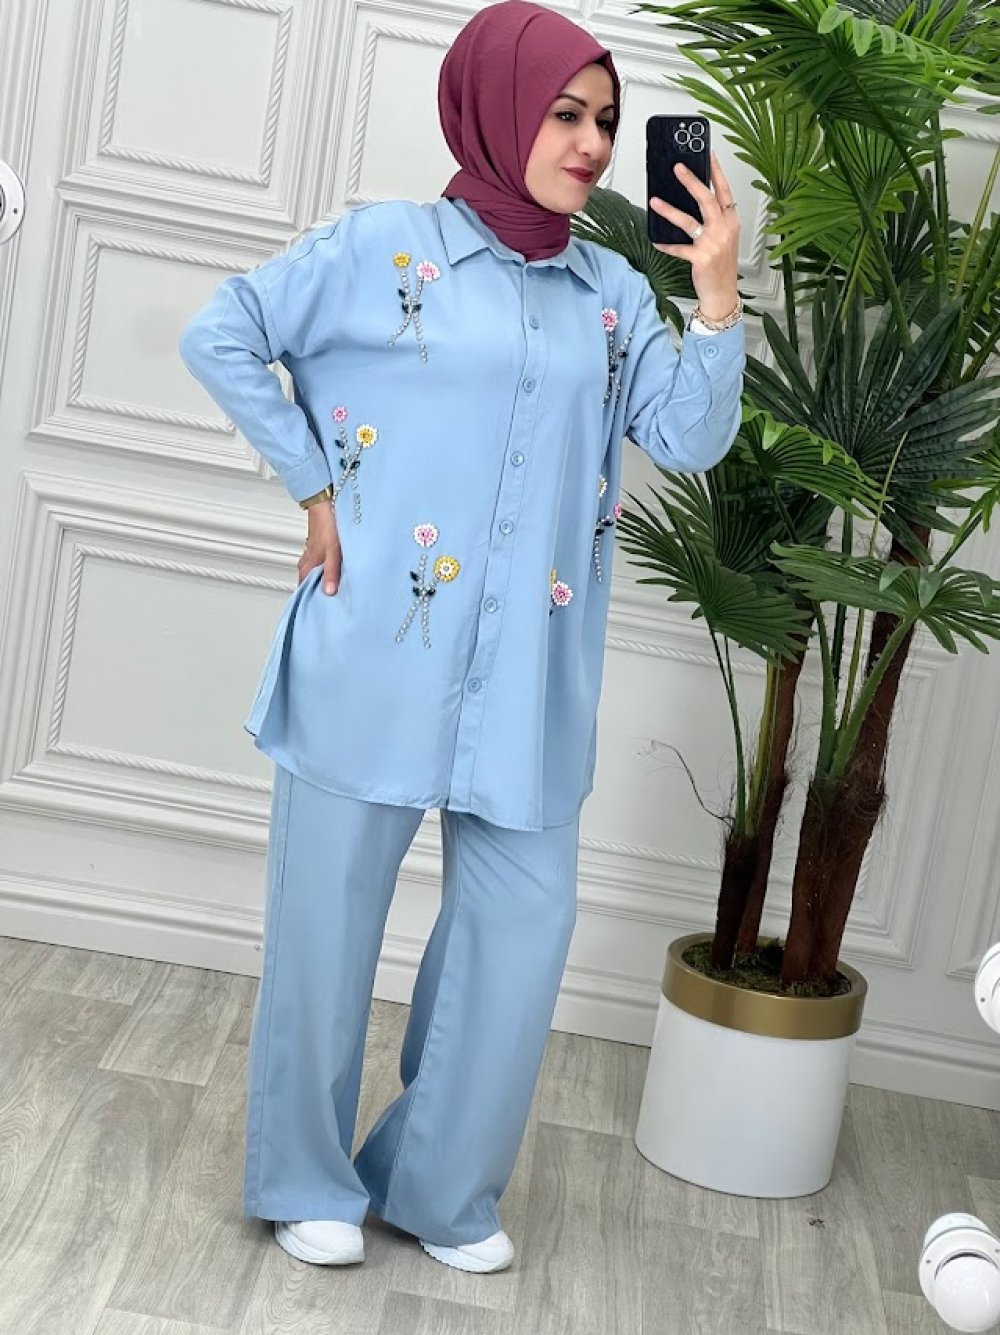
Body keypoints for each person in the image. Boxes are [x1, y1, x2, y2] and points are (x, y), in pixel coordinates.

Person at [178, 0, 743, 1276]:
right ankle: (305, 1177)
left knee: (518, 936)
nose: (592, 143)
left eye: (606, 120)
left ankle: (436, 1188)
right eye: (565, 113)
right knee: (327, 931)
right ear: (495, 109)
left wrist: (713, 296)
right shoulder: (381, 247)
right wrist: (314, 489)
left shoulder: (610, 293)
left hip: (530, 677)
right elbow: (222, 332)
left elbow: (689, 435)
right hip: (374, 651)